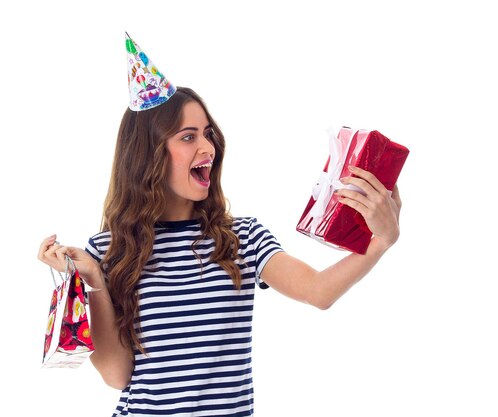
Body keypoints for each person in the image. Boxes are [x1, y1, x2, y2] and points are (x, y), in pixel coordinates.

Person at [37, 34, 402, 416]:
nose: (208, 148)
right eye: (188, 136)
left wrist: (380, 242)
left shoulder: (243, 238)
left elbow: (318, 291)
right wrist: (93, 277)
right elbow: (116, 374)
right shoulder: (108, 251)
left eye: (208, 134)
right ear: (147, 154)